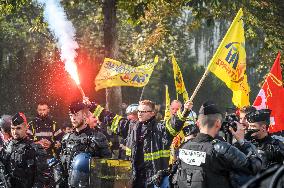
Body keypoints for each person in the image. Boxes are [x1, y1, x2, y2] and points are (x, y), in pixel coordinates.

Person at [88, 98, 193, 188]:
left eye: (143, 111)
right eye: (138, 111)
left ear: (152, 113)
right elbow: (111, 119)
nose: (139, 113)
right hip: (134, 179)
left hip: (155, 180)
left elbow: (174, 124)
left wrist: (184, 111)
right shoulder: (131, 127)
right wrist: (93, 107)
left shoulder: (161, 129)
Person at [175, 101, 263, 188]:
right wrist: (242, 141)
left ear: (198, 123)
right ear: (217, 123)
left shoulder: (183, 147)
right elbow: (254, 167)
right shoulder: (221, 149)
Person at [54, 101, 111, 187]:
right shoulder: (66, 138)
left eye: (76, 115)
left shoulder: (98, 138)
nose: (73, 118)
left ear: (84, 115)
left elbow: (107, 169)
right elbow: (61, 165)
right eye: (71, 115)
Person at [0, 112, 48, 187]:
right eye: (12, 128)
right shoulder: (6, 146)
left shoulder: (35, 149)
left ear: (26, 127)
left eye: (18, 128)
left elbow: (41, 178)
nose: (15, 132)